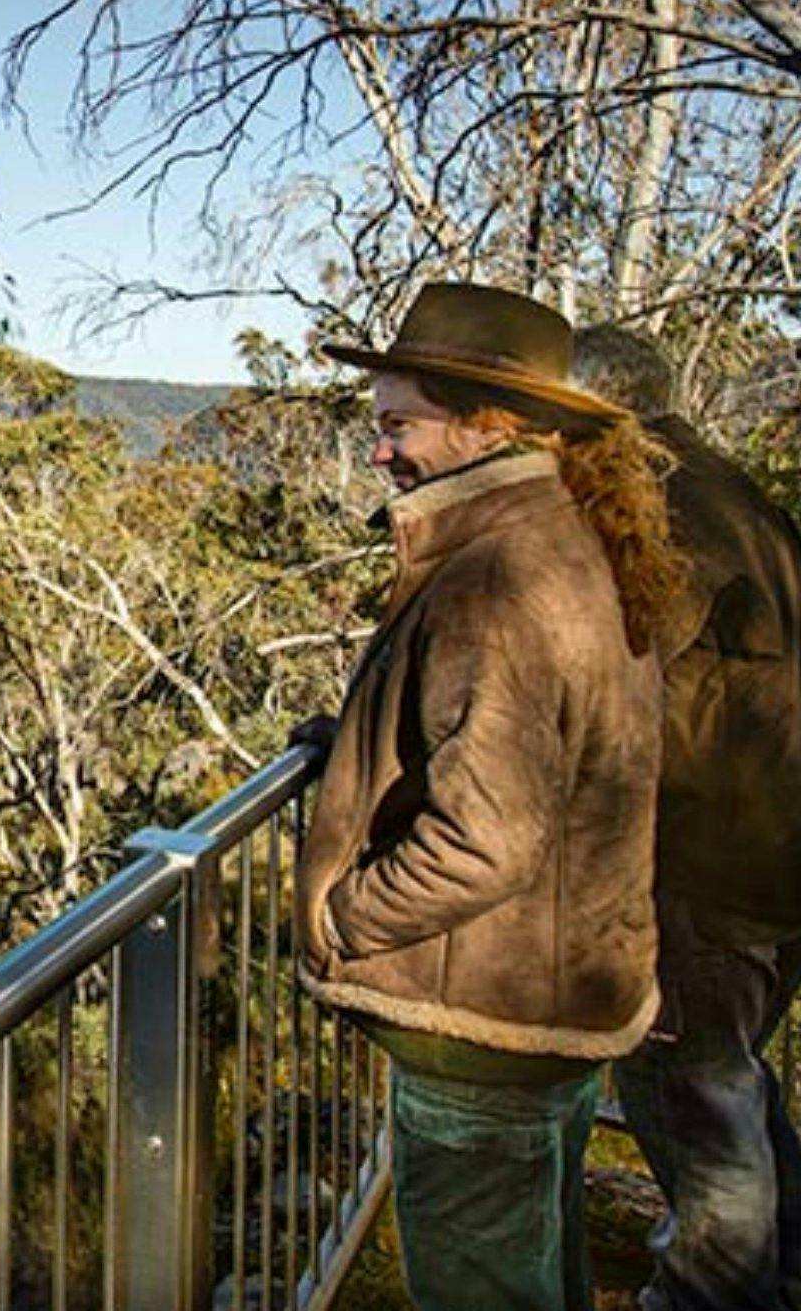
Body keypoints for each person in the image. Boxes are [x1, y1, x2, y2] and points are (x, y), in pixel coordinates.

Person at [293, 282, 679, 1311]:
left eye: (399, 426)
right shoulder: (572, 542)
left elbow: (484, 840)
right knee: (541, 1273)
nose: (381, 451)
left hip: (481, 1032)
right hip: (553, 1008)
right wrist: (359, 749)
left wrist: (340, 920)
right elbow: (531, 749)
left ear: (486, 425)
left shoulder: (494, 577)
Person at [571, 325, 801, 1311]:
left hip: (711, 861)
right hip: (767, 851)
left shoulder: (657, 506)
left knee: (691, 1099)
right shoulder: (730, 492)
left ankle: (715, 1296)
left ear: (593, 409)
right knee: (729, 1086)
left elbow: (607, 680)